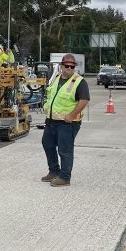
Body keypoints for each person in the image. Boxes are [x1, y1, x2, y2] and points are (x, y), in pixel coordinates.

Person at [41, 53, 90, 187]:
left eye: (72, 66)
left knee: (65, 149)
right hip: (51, 121)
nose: (69, 68)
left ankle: (64, 177)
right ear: (61, 66)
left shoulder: (79, 82)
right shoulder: (56, 78)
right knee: (47, 144)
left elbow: (84, 100)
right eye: (67, 66)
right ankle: (54, 171)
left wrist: (72, 115)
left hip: (67, 123)